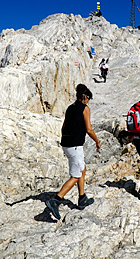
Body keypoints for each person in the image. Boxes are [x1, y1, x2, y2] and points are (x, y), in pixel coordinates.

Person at [46, 84, 101, 220]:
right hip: (75, 146)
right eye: (88, 98)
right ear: (84, 97)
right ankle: (56, 200)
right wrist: (97, 141)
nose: (88, 101)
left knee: (82, 168)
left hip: (67, 144)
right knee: (76, 175)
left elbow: (63, 127)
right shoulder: (85, 109)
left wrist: (66, 142)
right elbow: (88, 129)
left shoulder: (70, 108)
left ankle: (82, 198)